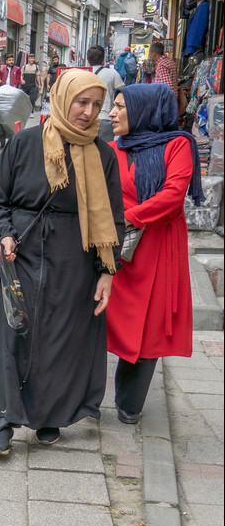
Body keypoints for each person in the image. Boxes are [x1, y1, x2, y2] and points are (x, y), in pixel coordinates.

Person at [0, 70, 124, 455]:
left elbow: (113, 217)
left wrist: (106, 273)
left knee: (61, 340)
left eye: (96, 104)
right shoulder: (25, 143)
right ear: (62, 99)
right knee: (17, 334)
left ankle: (47, 416)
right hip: (22, 253)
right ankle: (5, 419)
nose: (88, 111)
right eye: (81, 102)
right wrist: (5, 233)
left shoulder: (103, 155)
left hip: (75, 258)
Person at [106, 84, 204, 423]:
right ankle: (83, 395)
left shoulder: (178, 145)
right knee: (99, 318)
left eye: (119, 107)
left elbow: (173, 196)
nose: (111, 113)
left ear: (143, 109)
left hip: (157, 245)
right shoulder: (109, 149)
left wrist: (127, 219)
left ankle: (129, 404)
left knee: (147, 326)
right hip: (115, 246)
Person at [87, 45, 124, 143]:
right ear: (103, 59)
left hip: (86, 118)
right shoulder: (112, 73)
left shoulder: (84, 73)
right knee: (105, 152)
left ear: (88, 60)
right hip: (105, 118)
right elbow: (123, 93)